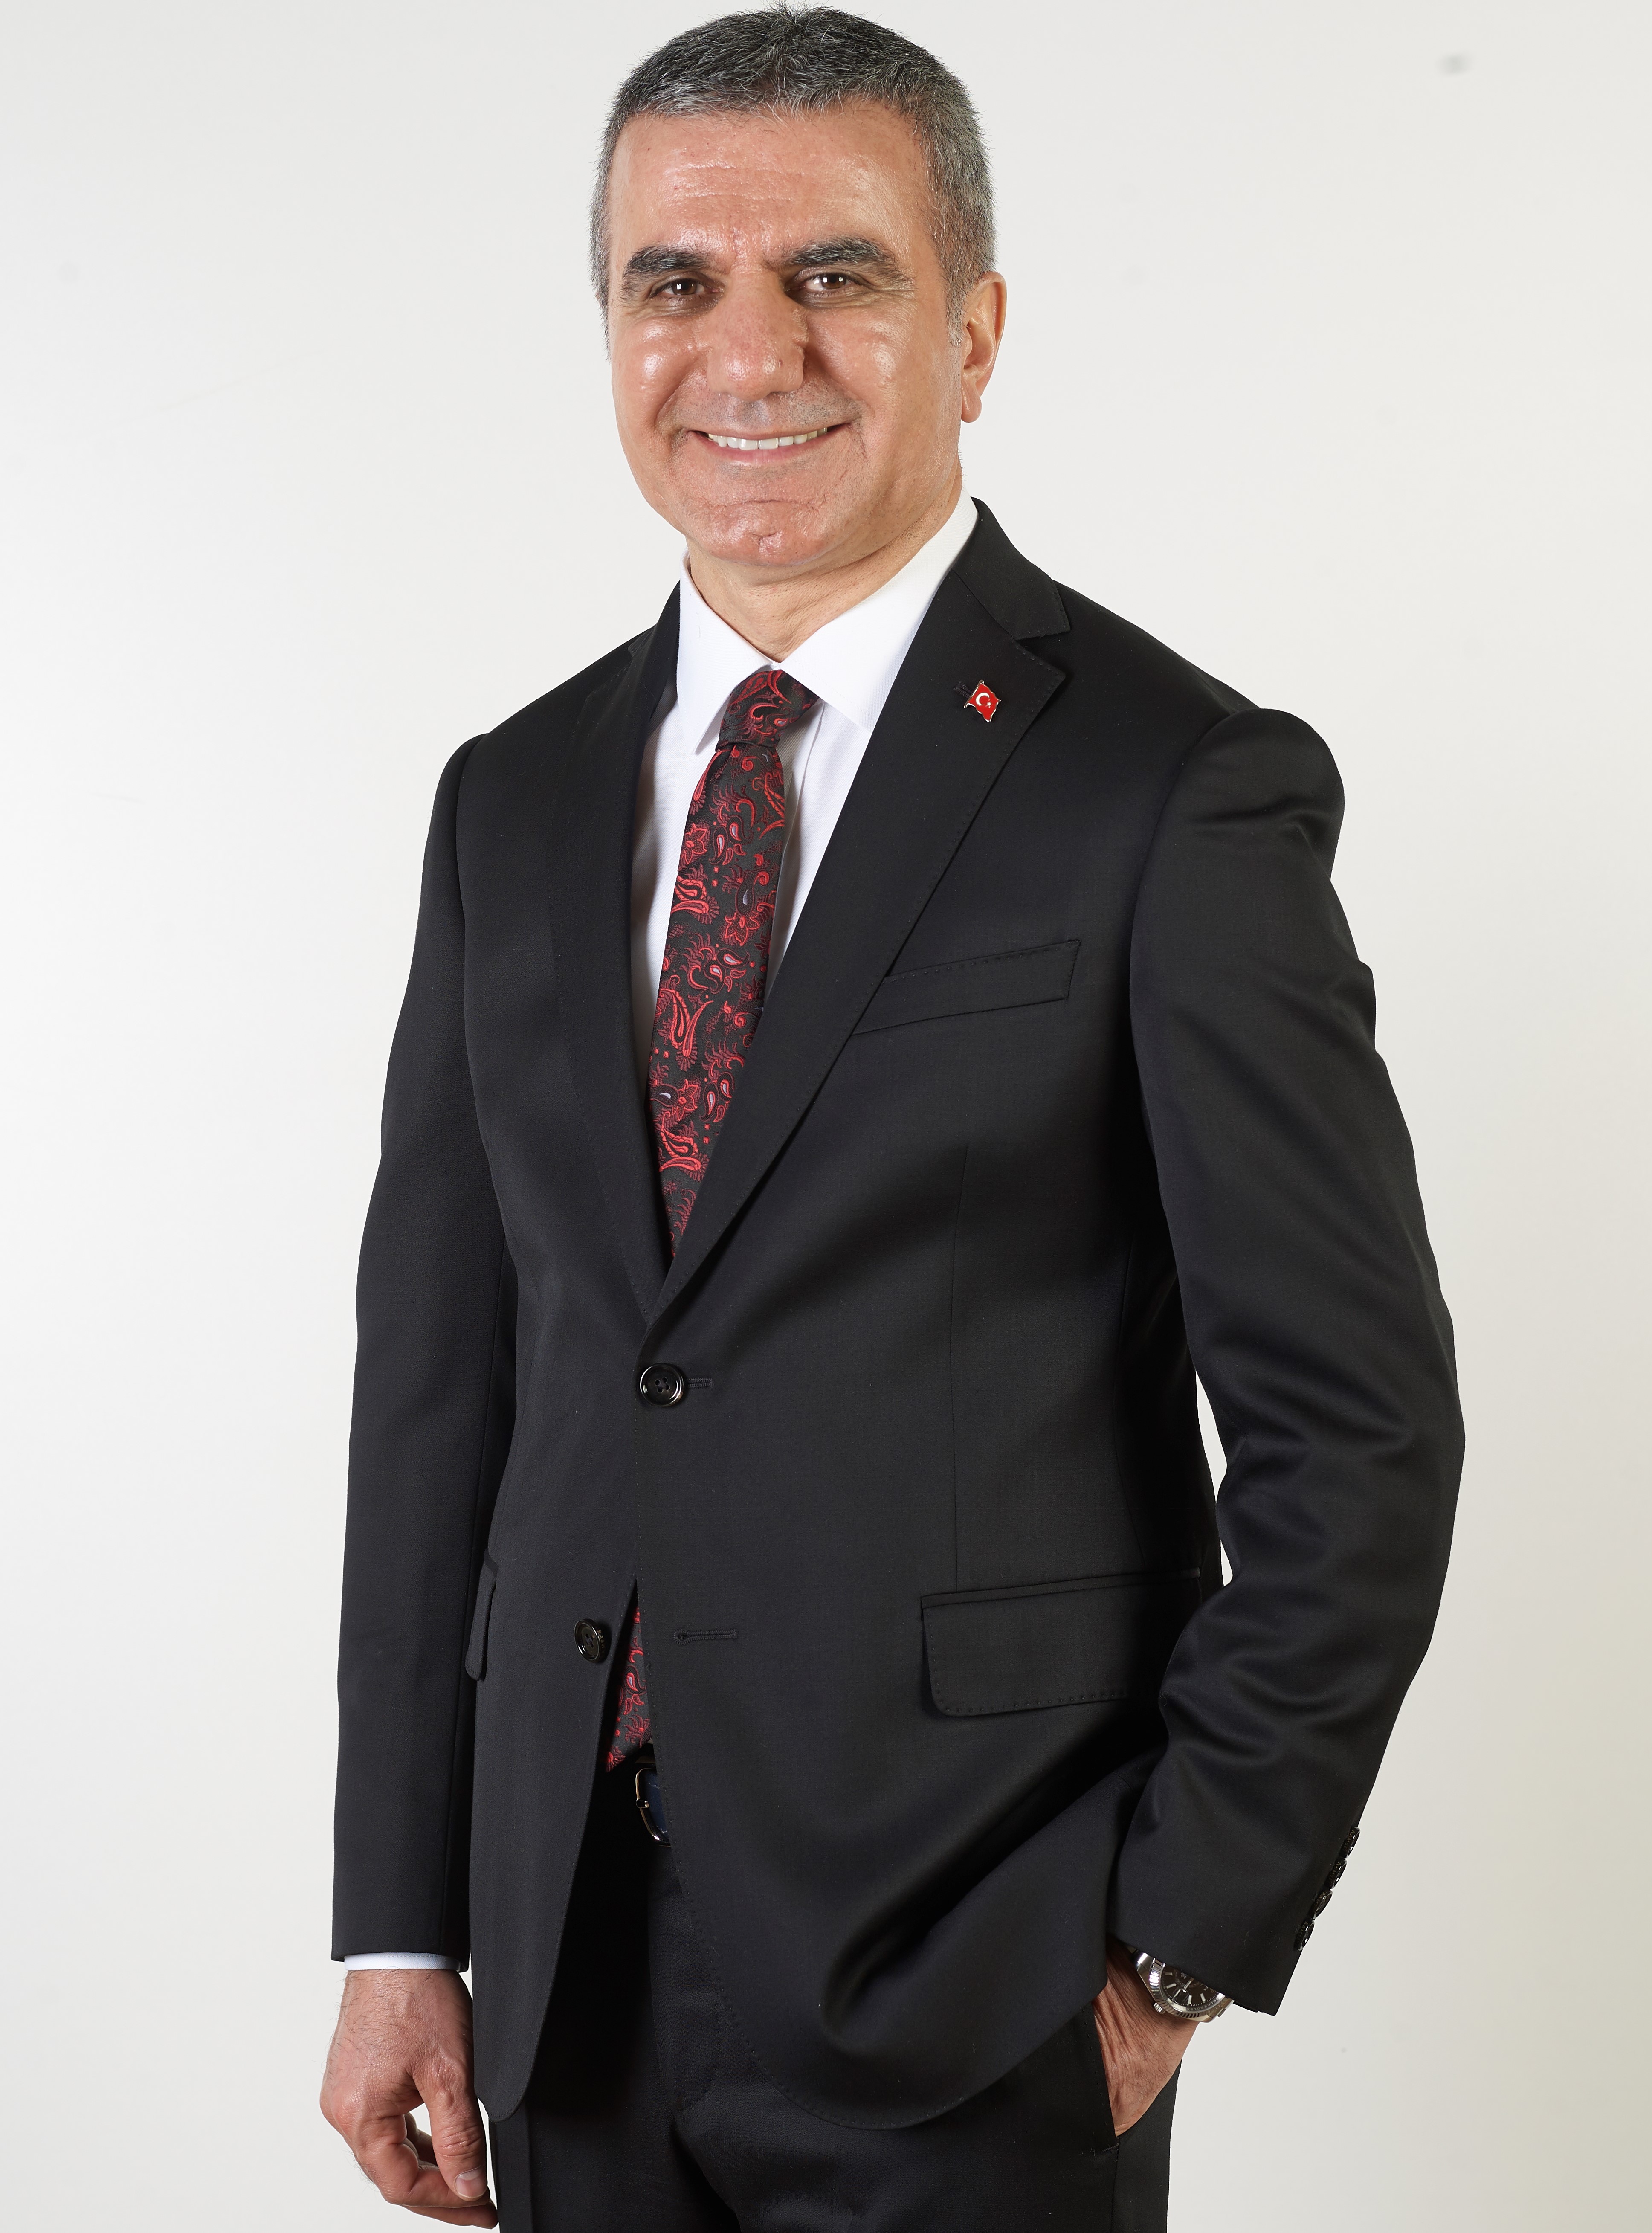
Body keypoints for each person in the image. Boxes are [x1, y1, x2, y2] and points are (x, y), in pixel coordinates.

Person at [319, 10, 1464, 2228]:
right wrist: (399, 1924)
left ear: (976, 331)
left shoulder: (1172, 787)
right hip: (563, 1979)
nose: (749, 350)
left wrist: (1171, 1945)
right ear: (613, 331)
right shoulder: (511, 801)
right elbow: (438, 1401)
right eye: (675, 282)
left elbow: (1358, 1432)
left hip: (982, 1987)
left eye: (832, 274)